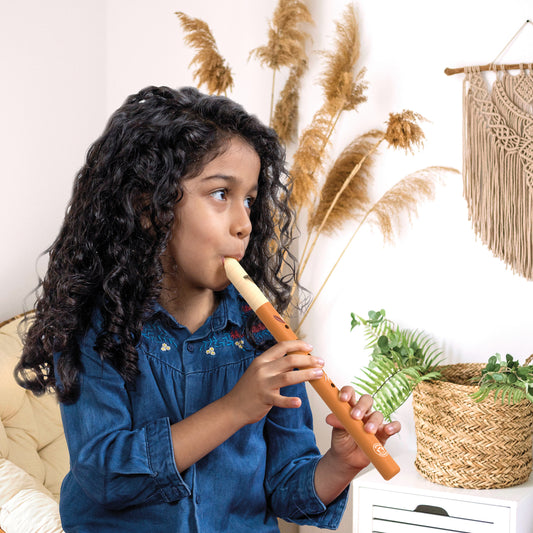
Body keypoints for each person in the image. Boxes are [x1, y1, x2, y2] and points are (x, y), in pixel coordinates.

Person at [15, 85, 400, 532]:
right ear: (150, 206)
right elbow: (106, 474)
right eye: (220, 193)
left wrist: (340, 463)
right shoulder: (98, 327)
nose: (244, 223)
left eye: (250, 200)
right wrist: (236, 408)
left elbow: (286, 491)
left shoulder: (263, 335)